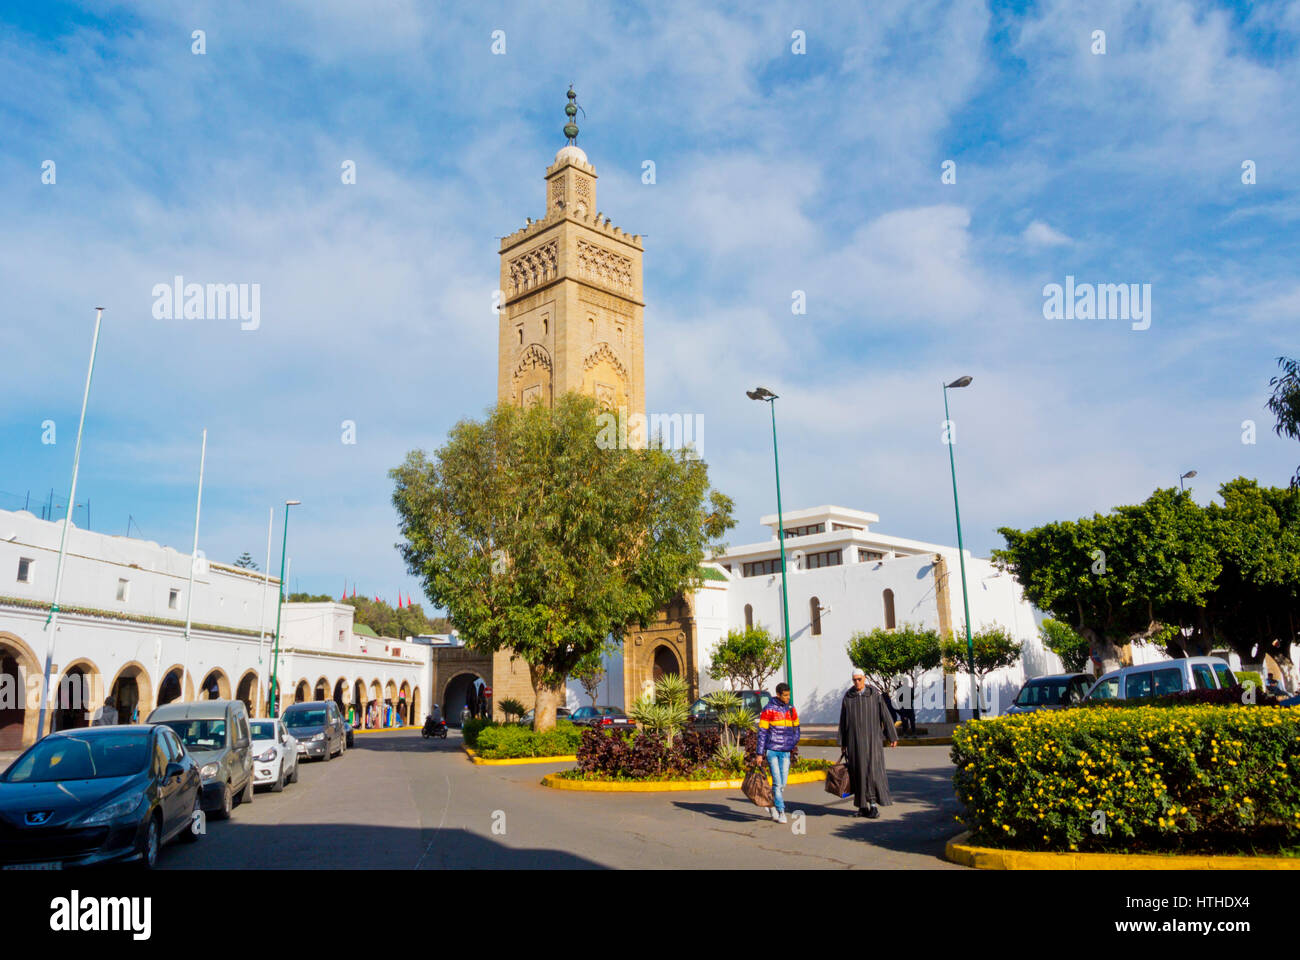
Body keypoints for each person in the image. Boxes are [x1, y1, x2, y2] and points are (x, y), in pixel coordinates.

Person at [838, 668, 897, 820]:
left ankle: (873, 806)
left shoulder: (874, 695)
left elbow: (885, 715)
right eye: (854, 680)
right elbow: (843, 720)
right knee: (857, 773)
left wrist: (892, 736)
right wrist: (843, 742)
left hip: (872, 742)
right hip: (854, 742)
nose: (857, 682)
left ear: (864, 679)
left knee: (872, 773)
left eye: (859, 679)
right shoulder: (848, 697)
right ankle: (862, 806)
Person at [755, 682, 800, 824]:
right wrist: (759, 753)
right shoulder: (768, 710)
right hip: (772, 750)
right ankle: (781, 811)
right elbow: (762, 732)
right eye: (785, 695)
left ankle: (771, 805)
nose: (788, 698)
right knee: (777, 782)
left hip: (785, 751)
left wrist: (793, 742)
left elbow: (797, 728)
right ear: (778, 695)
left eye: (789, 695)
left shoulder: (791, 710)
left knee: (782, 784)